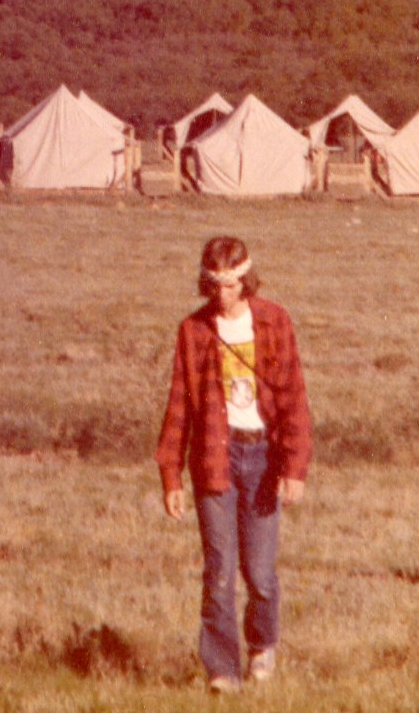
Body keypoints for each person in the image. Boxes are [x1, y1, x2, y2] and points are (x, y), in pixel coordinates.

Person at [156, 236, 312, 692]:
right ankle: (222, 669)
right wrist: (171, 475)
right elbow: (179, 407)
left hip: (263, 458)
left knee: (260, 573)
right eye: (214, 286)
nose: (222, 295)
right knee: (219, 569)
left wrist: (294, 468)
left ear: (246, 281)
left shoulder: (274, 321)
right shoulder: (193, 331)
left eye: (230, 285)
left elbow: (294, 400)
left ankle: (262, 645)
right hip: (214, 459)